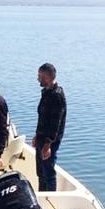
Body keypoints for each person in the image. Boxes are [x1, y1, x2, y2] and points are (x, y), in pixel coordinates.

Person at [32, 63, 66, 192]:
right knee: (41, 172)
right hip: (42, 137)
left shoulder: (56, 96)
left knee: (49, 174)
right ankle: (41, 196)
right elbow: (43, 117)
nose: (38, 79)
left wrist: (48, 144)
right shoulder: (46, 92)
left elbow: (55, 123)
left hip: (49, 141)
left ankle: (50, 198)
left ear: (47, 77)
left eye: (40, 76)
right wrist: (37, 135)